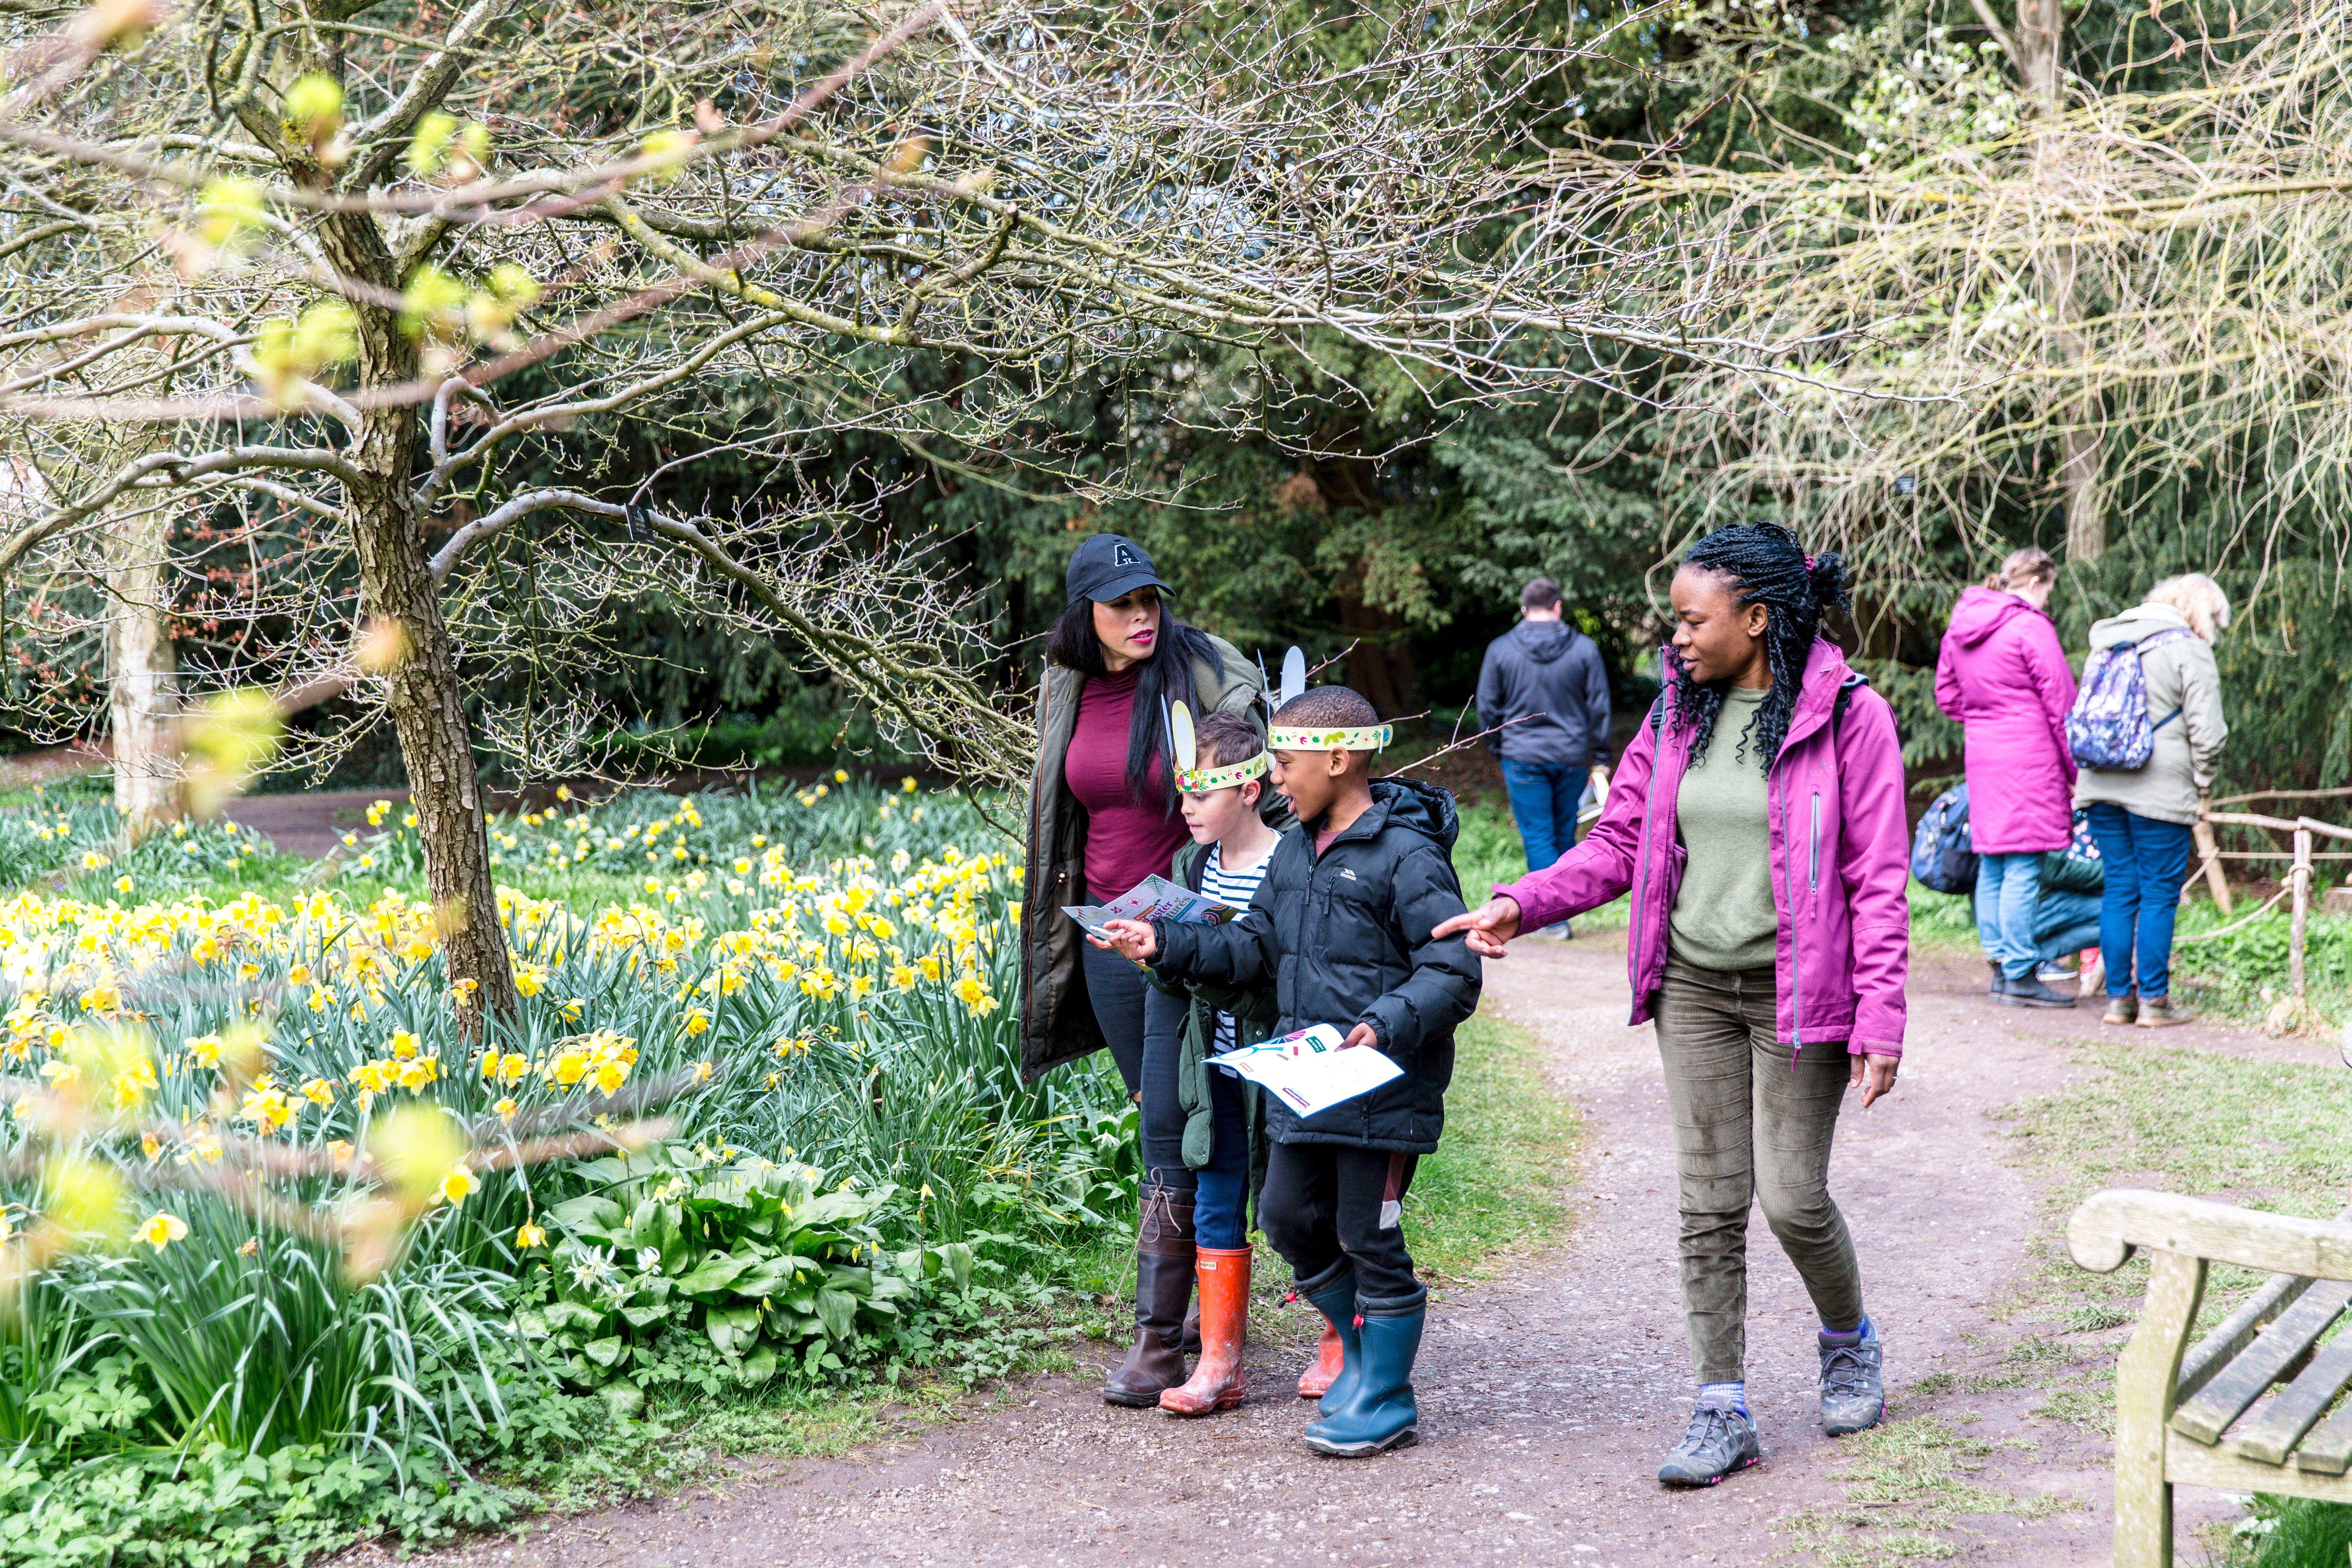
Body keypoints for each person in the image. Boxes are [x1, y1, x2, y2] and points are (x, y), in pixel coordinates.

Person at [1433, 521, 1909, 1488]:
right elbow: (1616, 843)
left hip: (1796, 993)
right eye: (1674, 623)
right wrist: (1522, 901)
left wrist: (1880, 1017)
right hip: (1691, 984)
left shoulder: (1848, 716)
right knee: (1705, 1199)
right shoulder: (1674, 715)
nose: (1677, 639)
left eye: (1692, 621)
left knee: (1790, 1196)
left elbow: (1877, 877)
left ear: (1756, 617)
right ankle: (1719, 1404)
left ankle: (1845, 1338)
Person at [1096, 685, 1482, 1456]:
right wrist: (1163, 945)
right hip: (1305, 1083)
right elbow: (1252, 951)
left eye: (1285, 761)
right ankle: (1362, 1355)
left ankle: (1387, 1395)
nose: (1274, 777)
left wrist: (1384, 1026)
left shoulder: (1408, 856)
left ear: (1338, 761)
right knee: (1283, 1220)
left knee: (1365, 1237)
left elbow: (1452, 970)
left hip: (1382, 1089)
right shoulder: (1297, 854)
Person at [1016, 532, 1270, 1407]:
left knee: (1185, 1123)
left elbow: (1258, 785)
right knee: (1157, 1114)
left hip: (1192, 935)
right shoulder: (1067, 682)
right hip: (1104, 939)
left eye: (1150, 600)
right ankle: (1199, 1317)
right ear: (1084, 613)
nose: (1141, 617)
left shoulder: (1204, 671)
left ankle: (1168, 1338)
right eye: (1122, 604)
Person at [1149, 711, 1283, 1416]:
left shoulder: (1290, 863)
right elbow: (1184, 981)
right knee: (1215, 1201)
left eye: (1202, 794)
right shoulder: (1191, 868)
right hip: (1218, 1069)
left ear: (1252, 790)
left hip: (1286, 1069)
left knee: (1306, 1206)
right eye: (1183, 794)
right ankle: (1219, 1363)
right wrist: (1150, 950)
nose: (1188, 809)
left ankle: (1339, 1346)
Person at [2075, 573, 2231, 1028]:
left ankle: (2119, 1001)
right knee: (2160, 894)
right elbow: (2210, 730)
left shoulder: (2107, 643)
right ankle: (2155, 1003)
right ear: (2200, 610)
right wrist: (2202, 778)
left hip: (2100, 782)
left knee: (2120, 888)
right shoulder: (2188, 649)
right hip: (2160, 788)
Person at [1934, 548, 2080, 1009]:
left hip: (1985, 755)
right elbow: (2061, 703)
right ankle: (2020, 970)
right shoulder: (2029, 625)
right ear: (2037, 583)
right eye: (2049, 592)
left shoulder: (1962, 625)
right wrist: (2076, 769)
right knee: (2022, 864)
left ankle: (2002, 966)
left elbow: (1947, 695)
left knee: (1994, 862)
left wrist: (1987, 718)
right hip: (2030, 756)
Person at [1476, 577, 1613, 935]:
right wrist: (1601, 756)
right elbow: (1599, 707)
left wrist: (1498, 748)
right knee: (1564, 834)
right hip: (1571, 756)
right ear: (1558, 608)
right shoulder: (1584, 649)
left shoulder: (1500, 649)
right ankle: (1558, 913)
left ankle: (1552, 920)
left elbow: (1487, 707)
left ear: (1524, 610)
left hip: (1521, 756)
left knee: (1538, 835)